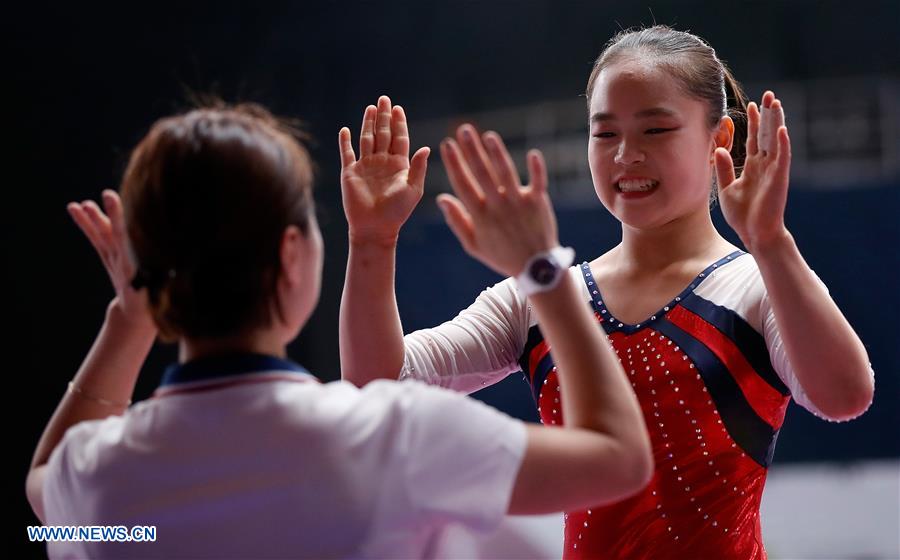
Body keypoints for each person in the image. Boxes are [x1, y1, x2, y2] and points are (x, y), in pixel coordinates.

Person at [25, 101, 652, 559]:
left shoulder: (100, 486)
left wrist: (131, 317)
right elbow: (620, 460)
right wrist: (542, 271)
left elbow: (45, 502)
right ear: (292, 253)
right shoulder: (392, 438)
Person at [340, 26, 875, 559]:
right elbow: (376, 384)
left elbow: (843, 396)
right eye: (605, 134)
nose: (626, 156)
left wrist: (769, 240)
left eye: (655, 131)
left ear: (720, 140)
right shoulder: (537, 296)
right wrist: (372, 242)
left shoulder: (754, 287)